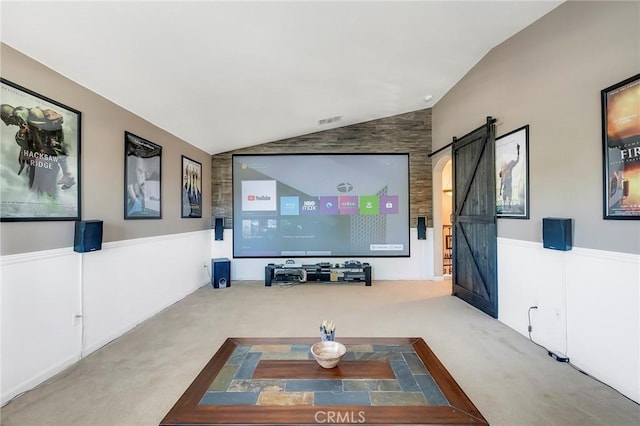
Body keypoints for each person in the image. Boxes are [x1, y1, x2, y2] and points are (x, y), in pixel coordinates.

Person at [1, 104, 75, 195]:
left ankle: (67, 176)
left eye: (8, 120)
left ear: (9, 116)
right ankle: (66, 176)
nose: (9, 124)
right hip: (45, 145)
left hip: (49, 138)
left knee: (57, 150)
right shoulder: (26, 116)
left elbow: (31, 129)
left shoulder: (18, 113)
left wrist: (24, 127)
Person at [499, 143, 520, 208]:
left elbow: (517, 161)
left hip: (508, 187)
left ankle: (508, 205)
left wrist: (518, 151)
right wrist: (500, 191)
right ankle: (506, 206)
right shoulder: (502, 172)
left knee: (509, 199)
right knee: (505, 199)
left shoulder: (509, 166)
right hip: (505, 188)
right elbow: (501, 182)